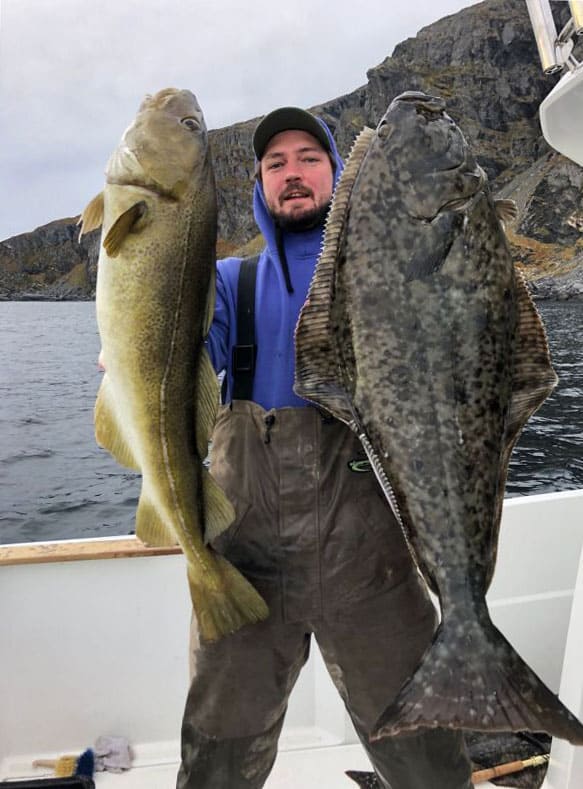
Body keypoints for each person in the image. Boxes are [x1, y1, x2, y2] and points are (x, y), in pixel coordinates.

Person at [176, 107, 473, 789]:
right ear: (257, 183)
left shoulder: (390, 272)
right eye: (275, 163)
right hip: (243, 564)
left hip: (371, 562)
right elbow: (170, 358)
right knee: (217, 752)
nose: (292, 173)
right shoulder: (227, 282)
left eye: (308, 157)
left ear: (337, 174)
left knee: (426, 750)